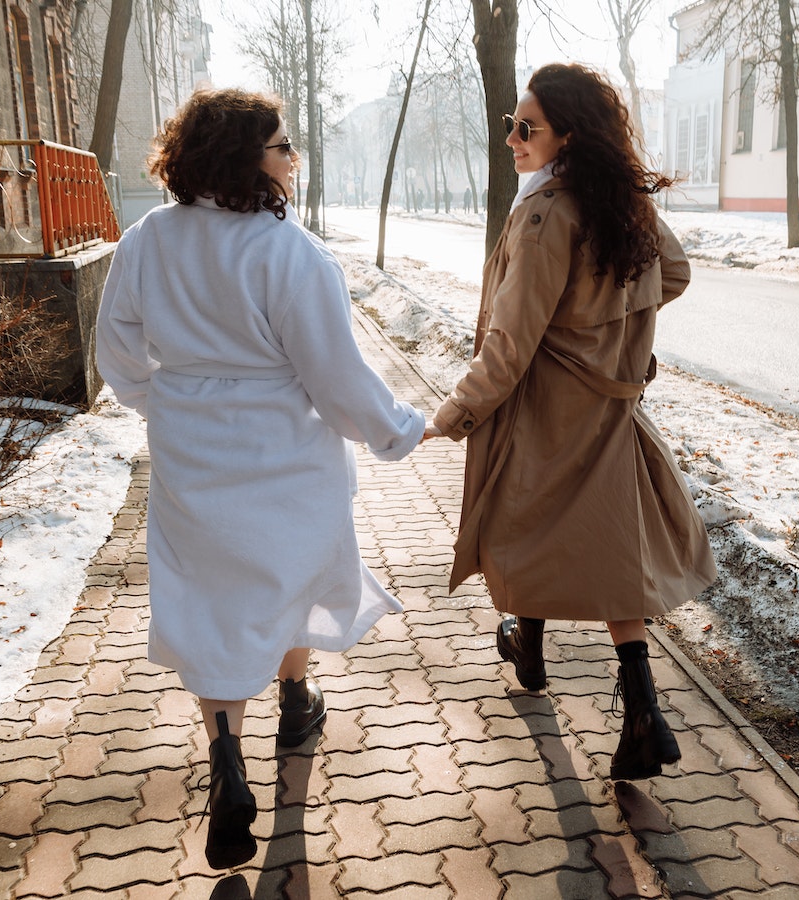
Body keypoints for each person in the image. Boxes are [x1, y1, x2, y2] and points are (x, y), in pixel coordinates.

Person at [96, 88, 425, 869]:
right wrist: (399, 429)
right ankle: (294, 703)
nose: (290, 159)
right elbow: (336, 377)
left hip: (192, 461)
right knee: (289, 579)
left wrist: (170, 403)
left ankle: (228, 757)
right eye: (281, 146)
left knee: (214, 602)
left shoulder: (146, 241)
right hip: (285, 456)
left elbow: (117, 355)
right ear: (246, 156)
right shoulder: (288, 252)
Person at [423, 63, 716, 781]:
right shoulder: (620, 203)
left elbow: (511, 342)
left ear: (567, 137)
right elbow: (671, 274)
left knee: (520, 525)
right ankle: (636, 706)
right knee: (611, 554)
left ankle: (534, 650)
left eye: (528, 129)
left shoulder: (547, 213)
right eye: (510, 125)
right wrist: (606, 322)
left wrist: (453, 414)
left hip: (545, 409)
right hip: (608, 411)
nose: (513, 140)